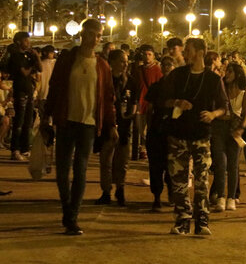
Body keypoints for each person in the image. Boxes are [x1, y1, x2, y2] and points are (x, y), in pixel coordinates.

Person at [43, 19, 117, 235]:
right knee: (62, 171)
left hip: (88, 124)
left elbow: (108, 97)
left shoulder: (102, 65)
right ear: (83, 35)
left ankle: (72, 216)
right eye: (94, 34)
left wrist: (112, 124)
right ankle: (67, 207)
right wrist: (46, 116)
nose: (97, 39)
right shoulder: (67, 59)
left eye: (100, 35)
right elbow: (54, 88)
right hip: (66, 121)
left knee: (81, 170)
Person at [164, 37, 228, 236]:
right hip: (178, 134)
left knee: (201, 179)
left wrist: (213, 114)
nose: (185, 54)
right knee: (179, 180)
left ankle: (202, 219)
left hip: (201, 134)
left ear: (200, 52)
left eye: (189, 50)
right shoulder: (178, 75)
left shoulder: (212, 79)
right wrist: (176, 102)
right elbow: (162, 100)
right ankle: (183, 218)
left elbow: (224, 108)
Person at [96, 49, 138, 206]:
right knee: (106, 160)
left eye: (126, 60)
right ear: (112, 62)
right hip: (108, 126)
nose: (125, 64)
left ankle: (120, 189)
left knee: (122, 161)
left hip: (125, 126)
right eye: (121, 60)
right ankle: (106, 191)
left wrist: (130, 113)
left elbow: (134, 101)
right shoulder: (105, 80)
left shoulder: (131, 81)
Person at [210, 63, 246, 212]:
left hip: (234, 130)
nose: (227, 74)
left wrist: (241, 129)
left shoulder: (244, 93)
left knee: (233, 165)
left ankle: (231, 197)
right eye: (226, 71)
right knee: (221, 163)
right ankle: (221, 196)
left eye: (230, 72)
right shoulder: (222, 90)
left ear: (237, 74)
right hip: (219, 127)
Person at [145, 56, 175, 211]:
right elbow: (149, 110)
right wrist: (148, 129)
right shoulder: (156, 87)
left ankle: (171, 192)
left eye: (170, 65)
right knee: (156, 166)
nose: (167, 67)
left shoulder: (179, 88)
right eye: (164, 65)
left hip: (172, 130)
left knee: (171, 165)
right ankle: (156, 197)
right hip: (157, 130)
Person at [8, 32, 42, 160]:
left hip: (28, 90)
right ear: (18, 42)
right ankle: (15, 149)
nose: (28, 43)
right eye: (26, 41)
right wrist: (32, 65)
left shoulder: (28, 55)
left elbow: (40, 69)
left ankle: (25, 148)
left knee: (28, 121)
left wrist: (36, 57)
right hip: (20, 90)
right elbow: (24, 72)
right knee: (19, 121)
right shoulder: (16, 56)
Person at [135, 44, 162, 160]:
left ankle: (147, 149)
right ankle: (143, 148)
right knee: (140, 128)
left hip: (151, 104)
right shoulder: (138, 70)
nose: (147, 57)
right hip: (140, 102)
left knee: (149, 128)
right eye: (145, 54)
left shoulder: (157, 70)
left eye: (149, 54)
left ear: (154, 56)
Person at [37, 45, 56, 116]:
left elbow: (38, 79)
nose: (53, 54)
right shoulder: (56, 63)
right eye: (52, 52)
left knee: (42, 114)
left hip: (42, 93)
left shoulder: (40, 64)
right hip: (53, 93)